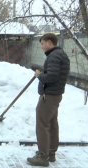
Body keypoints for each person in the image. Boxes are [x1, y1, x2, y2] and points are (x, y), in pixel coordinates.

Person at [27, 33, 70, 166]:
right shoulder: (59, 54)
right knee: (51, 124)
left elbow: (51, 77)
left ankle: (43, 157)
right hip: (55, 94)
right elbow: (54, 74)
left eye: (43, 44)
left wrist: (39, 75)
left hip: (50, 95)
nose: (41, 47)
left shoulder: (54, 56)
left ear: (50, 42)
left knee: (42, 124)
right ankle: (50, 153)